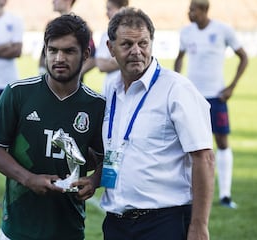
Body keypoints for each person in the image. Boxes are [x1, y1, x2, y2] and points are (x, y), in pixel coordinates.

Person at [0, 14, 105, 240]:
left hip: (68, 227)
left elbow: (106, 158)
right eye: (53, 50)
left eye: (69, 51)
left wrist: (93, 181)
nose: (59, 58)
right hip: (17, 228)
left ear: (86, 54)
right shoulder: (18, 93)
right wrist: (28, 179)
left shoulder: (97, 105)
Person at [100, 7, 215, 239]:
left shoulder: (177, 89)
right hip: (116, 223)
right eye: (126, 45)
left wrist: (199, 225)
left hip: (163, 223)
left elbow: (204, 158)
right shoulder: (110, 89)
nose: (136, 52)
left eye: (143, 43)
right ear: (110, 48)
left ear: (152, 42)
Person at [174, 0, 248, 209]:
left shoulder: (223, 30)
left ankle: (225, 194)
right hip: (192, 98)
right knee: (188, 144)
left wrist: (231, 86)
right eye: (189, 10)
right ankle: (187, 193)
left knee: (222, 142)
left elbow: (243, 57)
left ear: (204, 10)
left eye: (193, 10)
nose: (189, 14)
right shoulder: (186, 32)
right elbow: (179, 58)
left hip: (216, 97)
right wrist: (176, 82)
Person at [38, 0, 96, 82]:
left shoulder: (80, 28)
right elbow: (43, 56)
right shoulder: (51, 25)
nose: (53, 1)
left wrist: (74, 75)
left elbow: (92, 59)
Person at [95, 0, 128, 94]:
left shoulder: (134, 34)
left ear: (121, 10)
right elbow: (101, 65)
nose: (106, 13)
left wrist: (115, 60)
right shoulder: (106, 35)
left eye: (109, 9)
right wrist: (126, 60)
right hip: (111, 90)